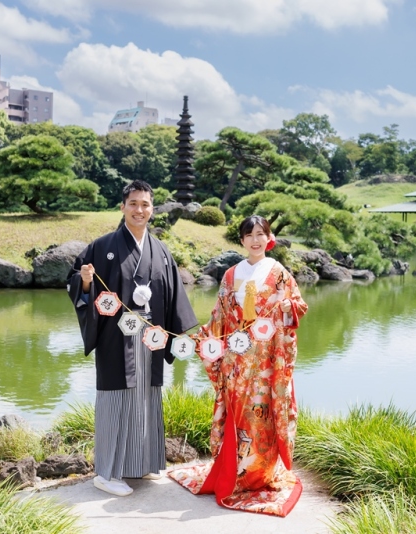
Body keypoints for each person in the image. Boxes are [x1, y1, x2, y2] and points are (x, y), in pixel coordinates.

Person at [168, 215, 308, 517]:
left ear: (268, 238)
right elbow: (219, 315)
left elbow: (298, 306)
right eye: (249, 235)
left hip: (267, 359)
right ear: (241, 240)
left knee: (263, 413)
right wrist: (205, 339)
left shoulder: (279, 272)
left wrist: (288, 308)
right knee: (238, 411)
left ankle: (261, 474)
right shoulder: (231, 275)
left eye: (261, 234)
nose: (255, 240)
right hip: (235, 356)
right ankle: (236, 472)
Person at [66, 180, 198, 497]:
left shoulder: (161, 250)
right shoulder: (102, 246)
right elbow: (78, 284)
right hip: (116, 336)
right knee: (116, 401)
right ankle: (107, 473)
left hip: (151, 337)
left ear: (152, 209)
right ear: (123, 207)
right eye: (133, 203)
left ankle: (141, 465)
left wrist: (177, 334)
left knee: (145, 399)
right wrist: (84, 282)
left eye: (145, 204)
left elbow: (173, 296)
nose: (140, 210)